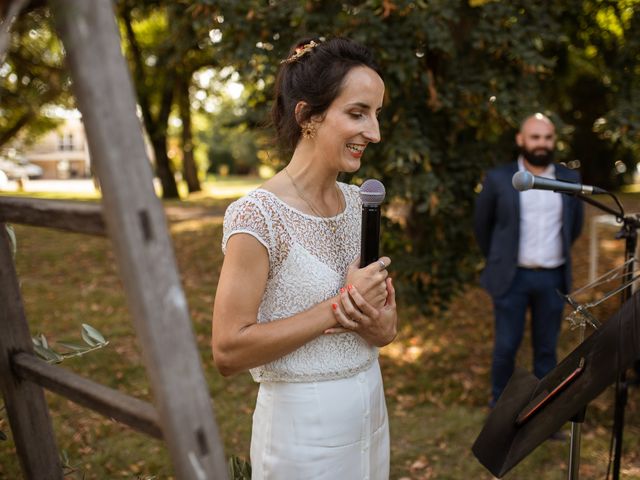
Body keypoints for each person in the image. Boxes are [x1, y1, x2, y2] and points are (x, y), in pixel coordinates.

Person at [211, 37, 397, 480]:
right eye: (357, 113)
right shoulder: (258, 215)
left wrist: (373, 315)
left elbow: (388, 330)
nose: (374, 133)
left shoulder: (360, 205)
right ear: (307, 117)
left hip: (371, 408)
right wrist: (336, 307)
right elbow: (227, 350)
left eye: (376, 115)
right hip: (303, 428)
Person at [473, 113, 584, 408]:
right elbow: (482, 226)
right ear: (521, 140)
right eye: (535, 137)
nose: (541, 143)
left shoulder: (569, 179)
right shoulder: (499, 178)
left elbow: (574, 227)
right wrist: (499, 259)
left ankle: (541, 411)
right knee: (506, 347)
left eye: (547, 137)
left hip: (553, 278)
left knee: (547, 349)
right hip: (512, 278)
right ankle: (500, 410)